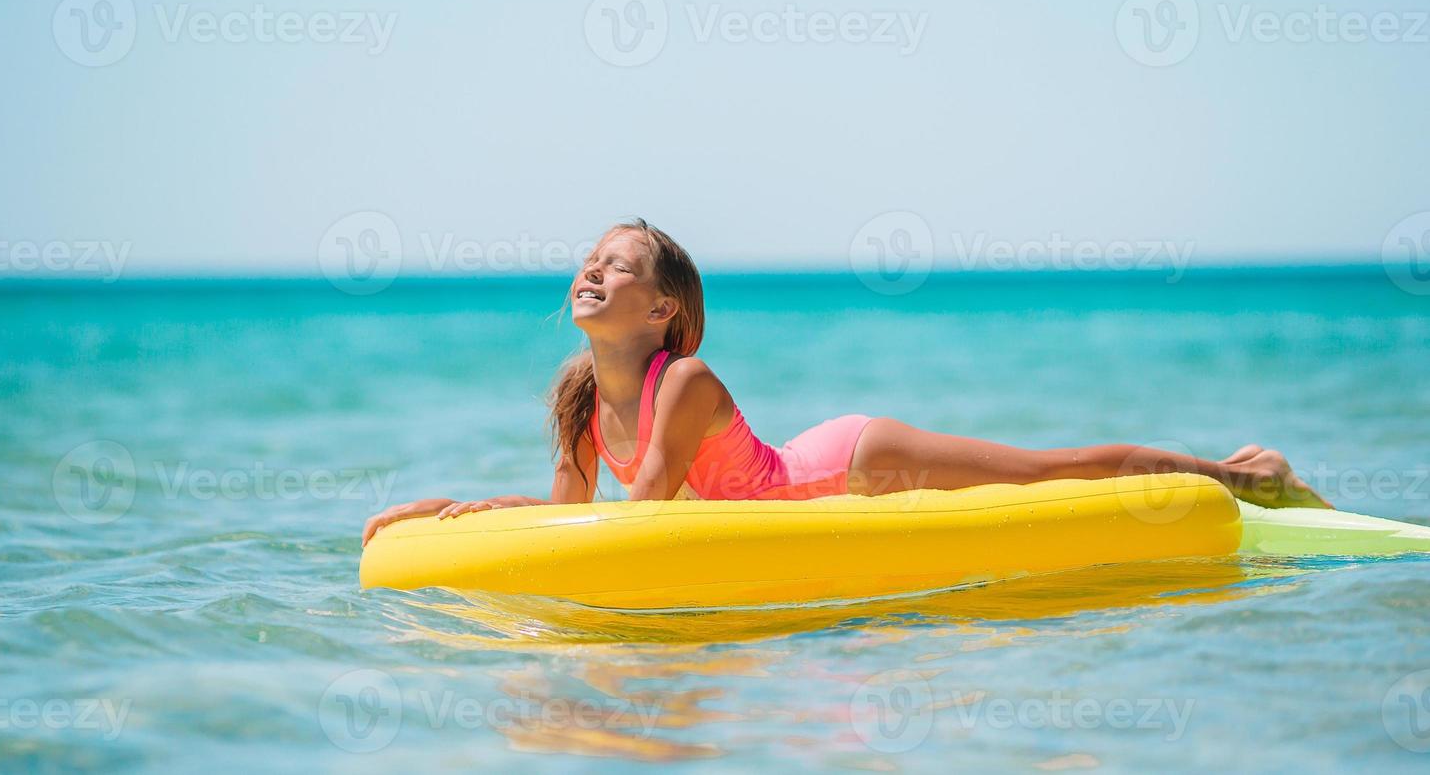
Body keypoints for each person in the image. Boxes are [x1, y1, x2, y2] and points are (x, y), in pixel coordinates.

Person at [362, 219, 1330, 545]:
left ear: (665, 311)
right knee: (1045, 471)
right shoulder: (580, 396)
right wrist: (464, 508)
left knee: (1048, 472)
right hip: (789, 490)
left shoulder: (685, 378)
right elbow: (567, 516)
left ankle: (1241, 473)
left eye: (619, 266)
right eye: (590, 258)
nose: (593, 271)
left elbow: (644, 502)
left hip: (846, 465)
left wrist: (481, 512)